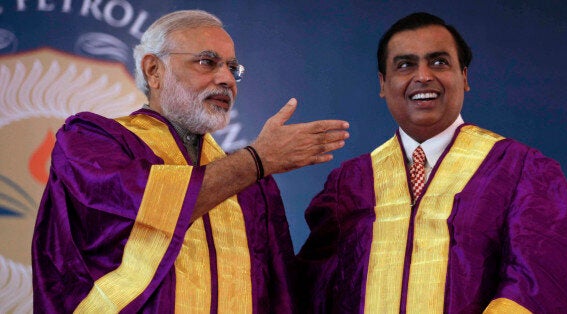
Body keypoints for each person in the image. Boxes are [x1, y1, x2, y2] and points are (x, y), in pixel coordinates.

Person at [31, 10, 349, 313]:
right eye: (207, 62)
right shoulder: (92, 141)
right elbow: (144, 208)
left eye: (233, 68)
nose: (227, 79)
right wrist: (258, 160)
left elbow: (281, 297)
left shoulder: (254, 184)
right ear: (153, 70)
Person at [297, 12, 567, 313]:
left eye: (438, 62)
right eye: (405, 64)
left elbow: (537, 284)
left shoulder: (522, 171)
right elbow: (313, 293)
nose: (423, 76)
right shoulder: (348, 184)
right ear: (383, 84)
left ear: (464, 77)